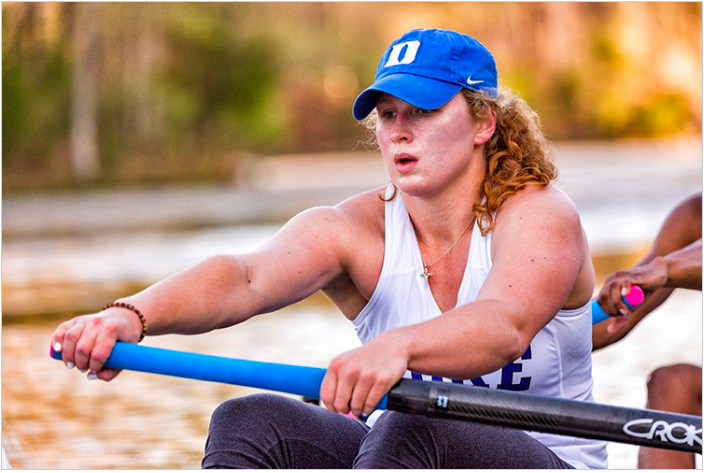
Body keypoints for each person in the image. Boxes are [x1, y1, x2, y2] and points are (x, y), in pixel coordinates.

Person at [51, 28, 607, 469]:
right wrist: (130, 316)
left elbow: (504, 325)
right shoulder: (355, 229)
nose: (399, 132)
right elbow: (246, 277)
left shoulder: (538, 214)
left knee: (410, 421)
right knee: (248, 421)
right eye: (388, 115)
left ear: (483, 121)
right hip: (401, 455)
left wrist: (399, 350)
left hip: (547, 459)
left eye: (424, 111)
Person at [593, 192, 702, 469]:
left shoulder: (667, 264)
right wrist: (522, 332)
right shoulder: (693, 215)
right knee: (672, 383)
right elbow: (610, 323)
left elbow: (660, 270)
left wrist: (666, 268)